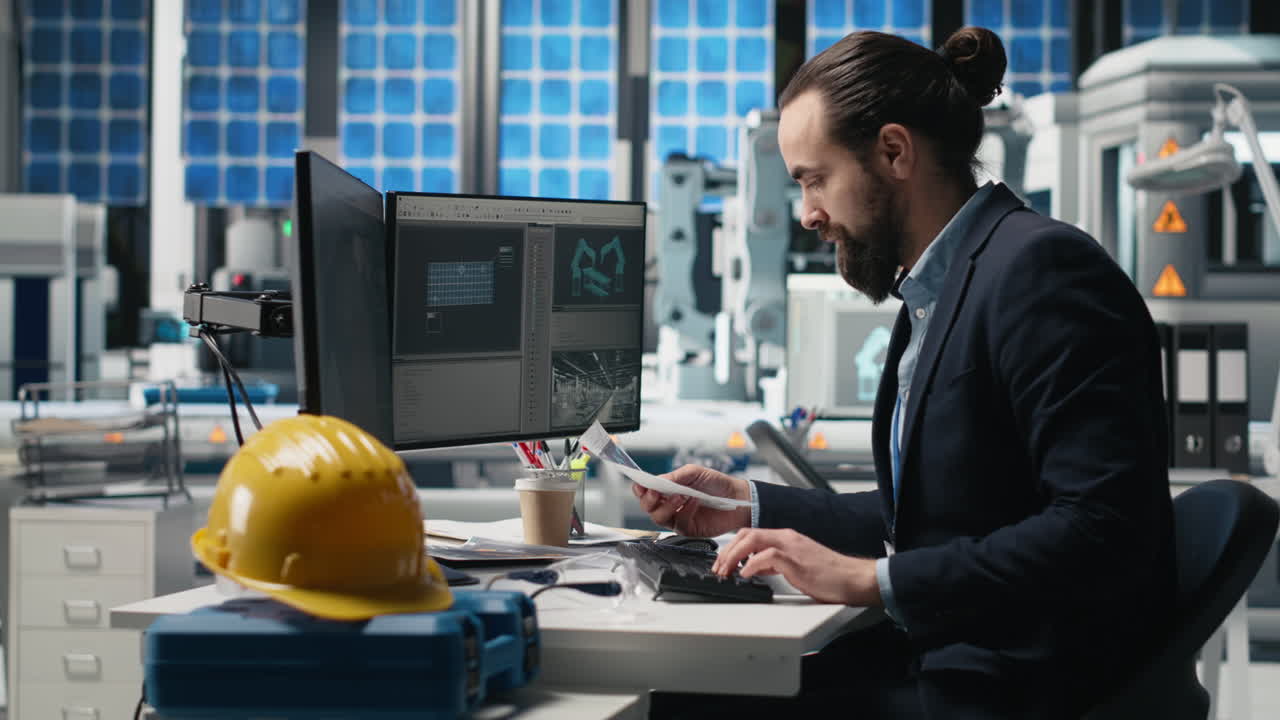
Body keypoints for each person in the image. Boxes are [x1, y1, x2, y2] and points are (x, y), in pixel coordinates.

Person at [636, 27, 1175, 719]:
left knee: (667, 705)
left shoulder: (1041, 272)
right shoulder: (938, 291)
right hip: (951, 659)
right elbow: (937, 518)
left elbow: (1104, 530)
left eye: (814, 179)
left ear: (893, 151)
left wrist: (869, 579)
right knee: (683, 689)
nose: (808, 215)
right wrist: (748, 505)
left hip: (1010, 688)